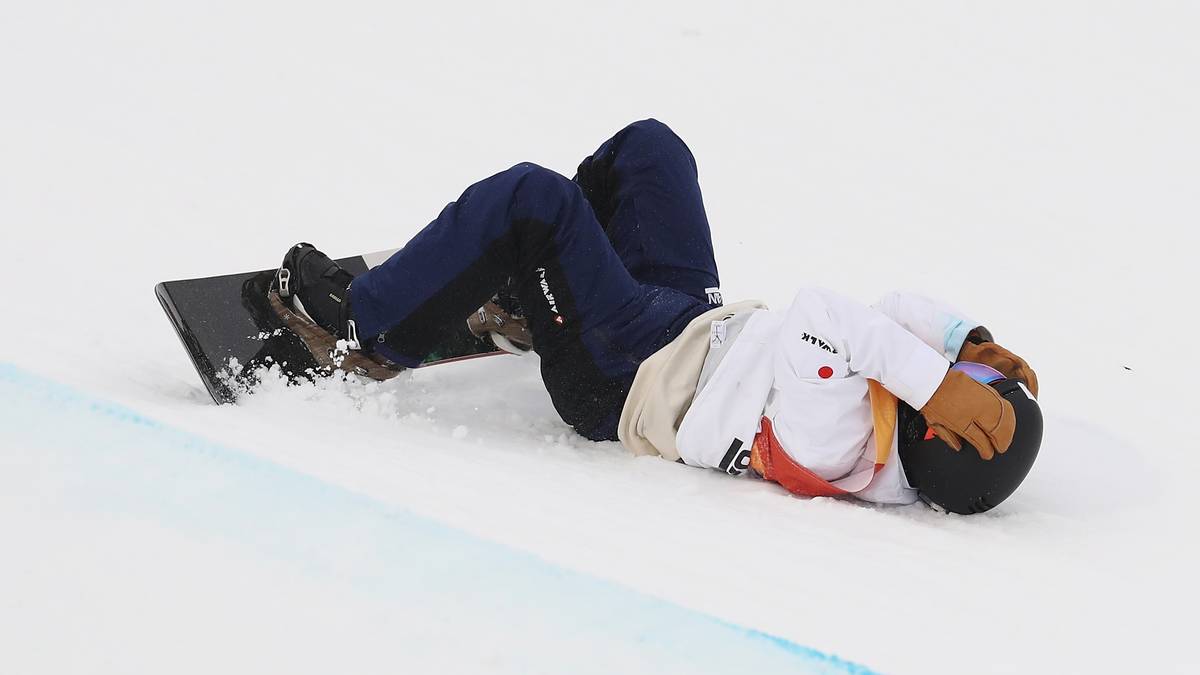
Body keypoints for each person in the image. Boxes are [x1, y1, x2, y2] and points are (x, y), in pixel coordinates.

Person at [274, 119, 1043, 514]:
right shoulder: (887, 418)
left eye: (959, 385)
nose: (949, 374)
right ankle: (537, 291)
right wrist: (966, 341)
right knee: (651, 151)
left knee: (534, 199)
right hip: (686, 326)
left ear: (939, 429)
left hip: (624, 372)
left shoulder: (839, 444)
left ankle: (364, 331)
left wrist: (935, 380)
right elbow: (892, 314)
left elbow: (823, 315)